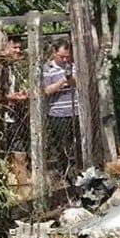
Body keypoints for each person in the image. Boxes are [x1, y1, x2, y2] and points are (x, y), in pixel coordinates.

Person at [41, 38, 79, 175]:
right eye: (61, 56)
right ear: (54, 52)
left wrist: (73, 80)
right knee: (61, 145)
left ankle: (77, 171)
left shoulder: (73, 66)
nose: (64, 60)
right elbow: (46, 90)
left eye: (67, 57)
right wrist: (63, 81)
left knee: (76, 144)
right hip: (57, 113)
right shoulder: (47, 68)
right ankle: (65, 172)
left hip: (75, 112)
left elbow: (80, 82)